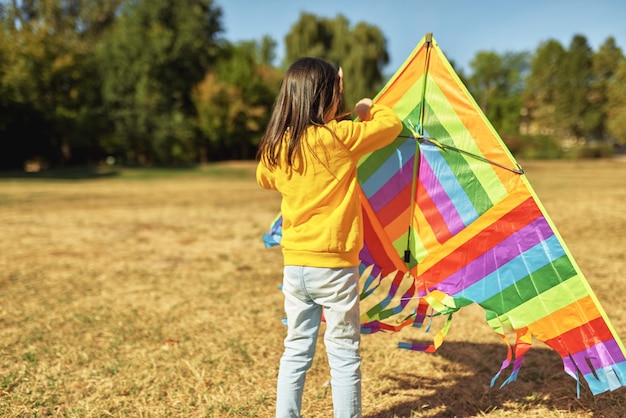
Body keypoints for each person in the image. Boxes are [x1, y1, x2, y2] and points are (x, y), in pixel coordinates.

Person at [256, 57, 402, 418]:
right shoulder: (341, 137)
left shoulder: (279, 146)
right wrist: (367, 109)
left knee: (296, 349)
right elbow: (391, 125)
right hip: (335, 268)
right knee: (343, 352)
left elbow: (264, 176)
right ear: (328, 98)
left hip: (296, 267)